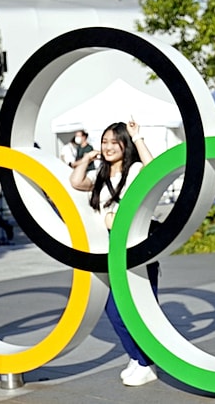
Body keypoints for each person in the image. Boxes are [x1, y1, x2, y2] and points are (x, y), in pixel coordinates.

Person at [69, 119, 159, 387]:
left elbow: (155, 170)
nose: (108, 147)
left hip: (136, 247)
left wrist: (137, 136)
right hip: (112, 249)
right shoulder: (102, 176)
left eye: (113, 141)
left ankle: (146, 362)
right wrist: (88, 157)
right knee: (114, 310)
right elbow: (75, 181)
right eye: (104, 142)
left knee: (137, 310)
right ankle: (139, 358)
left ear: (125, 144)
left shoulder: (134, 170)